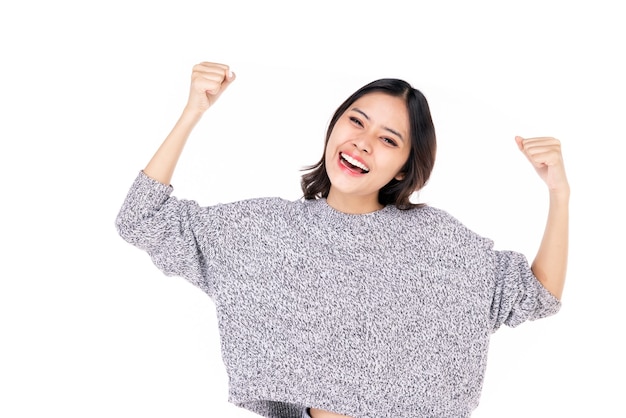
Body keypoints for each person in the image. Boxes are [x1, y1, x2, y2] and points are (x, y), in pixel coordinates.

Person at [115, 61, 569, 418]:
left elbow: (537, 295)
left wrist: (558, 193)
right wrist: (193, 109)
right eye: (357, 121)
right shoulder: (262, 232)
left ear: (406, 167)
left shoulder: (441, 245)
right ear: (334, 126)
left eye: (389, 139)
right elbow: (141, 217)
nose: (364, 142)